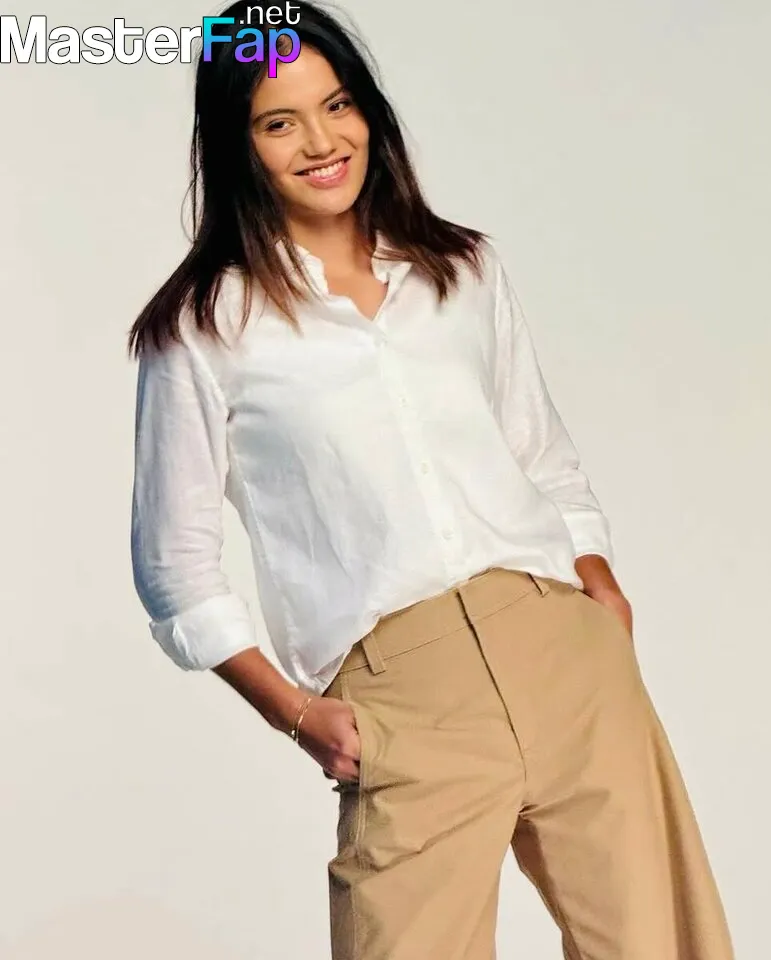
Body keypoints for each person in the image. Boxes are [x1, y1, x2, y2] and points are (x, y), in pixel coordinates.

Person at [128, 2, 735, 957]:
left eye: (337, 106)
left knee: (660, 944)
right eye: (280, 122)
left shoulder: (461, 269)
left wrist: (599, 591)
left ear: (368, 110)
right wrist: (298, 716)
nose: (321, 142)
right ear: (236, 144)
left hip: (563, 650)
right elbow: (176, 569)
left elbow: (540, 453)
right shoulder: (204, 328)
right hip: (400, 695)